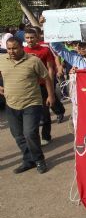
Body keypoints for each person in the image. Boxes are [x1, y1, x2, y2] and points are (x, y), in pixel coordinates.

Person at [0, 37, 55, 174]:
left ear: (21, 47)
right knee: (18, 135)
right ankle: (28, 160)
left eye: (15, 48)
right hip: (11, 105)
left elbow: (46, 77)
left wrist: (51, 96)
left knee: (30, 133)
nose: (11, 51)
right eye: (9, 48)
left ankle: (39, 160)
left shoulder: (33, 61)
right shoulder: (2, 60)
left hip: (32, 104)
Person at [23, 29, 61, 143]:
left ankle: (46, 136)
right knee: (32, 114)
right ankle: (33, 138)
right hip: (28, 87)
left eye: (32, 37)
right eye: (27, 38)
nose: (30, 40)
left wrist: (49, 83)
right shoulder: (23, 51)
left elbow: (50, 68)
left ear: (37, 38)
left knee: (45, 113)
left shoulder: (45, 50)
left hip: (43, 85)